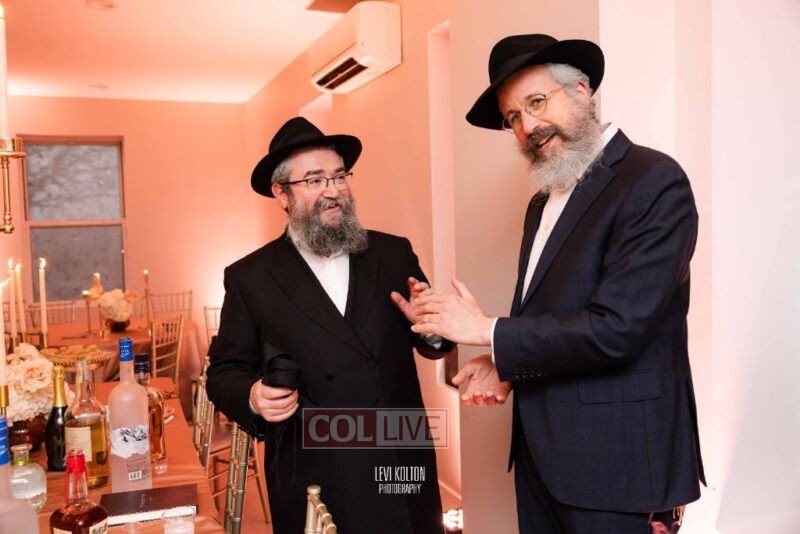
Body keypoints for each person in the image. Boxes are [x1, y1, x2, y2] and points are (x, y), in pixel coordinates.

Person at [412, 34, 705, 533]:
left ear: (581, 92)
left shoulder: (653, 180)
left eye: (536, 102)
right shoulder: (542, 202)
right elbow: (557, 318)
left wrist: (487, 330)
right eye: (513, 117)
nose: (527, 127)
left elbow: (617, 329)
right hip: (543, 463)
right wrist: (505, 366)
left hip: (619, 469)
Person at [206, 117, 453, 533]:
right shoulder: (251, 277)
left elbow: (435, 339)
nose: (334, 190)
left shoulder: (393, 253)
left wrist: (430, 328)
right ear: (281, 194)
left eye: (339, 176)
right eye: (315, 180)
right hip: (313, 469)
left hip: (397, 453)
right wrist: (252, 396)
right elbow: (223, 372)